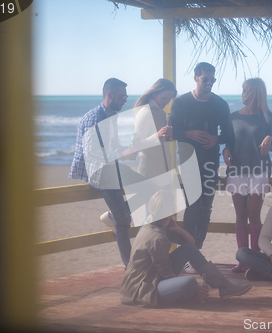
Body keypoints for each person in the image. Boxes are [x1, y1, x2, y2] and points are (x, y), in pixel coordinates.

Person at [120, 190, 252, 307]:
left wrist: (177, 228)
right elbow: (167, 276)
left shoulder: (155, 223)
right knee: (189, 282)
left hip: (150, 278)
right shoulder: (157, 237)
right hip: (142, 290)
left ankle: (225, 287)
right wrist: (195, 290)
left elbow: (191, 242)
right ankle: (201, 292)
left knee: (188, 249)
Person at [69, 78, 134, 267]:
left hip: (110, 168)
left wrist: (128, 150)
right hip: (98, 172)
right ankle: (130, 267)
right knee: (124, 221)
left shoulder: (111, 116)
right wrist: (122, 153)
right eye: (122, 96)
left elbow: (111, 147)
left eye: (126, 96)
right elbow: (93, 154)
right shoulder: (94, 118)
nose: (125, 100)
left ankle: (114, 215)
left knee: (147, 184)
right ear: (109, 95)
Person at [170, 62, 230, 252]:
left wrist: (216, 139)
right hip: (188, 160)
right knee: (192, 206)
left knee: (206, 208)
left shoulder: (220, 104)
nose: (210, 82)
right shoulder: (181, 103)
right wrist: (190, 134)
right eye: (206, 79)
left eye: (212, 79)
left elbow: (229, 134)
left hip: (211, 161)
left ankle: (197, 250)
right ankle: (187, 252)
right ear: (196, 78)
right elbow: (172, 133)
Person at [99, 79, 176, 226]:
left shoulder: (160, 112)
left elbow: (159, 144)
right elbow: (135, 146)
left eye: (169, 99)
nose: (166, 102)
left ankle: (114, 216)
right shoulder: (146, 112)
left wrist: (167, 138)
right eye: (164, 98)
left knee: (160, 218)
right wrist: (157, 136)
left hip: (164, 171)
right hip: (151, 172)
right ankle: (114, 216)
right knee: (151, 218)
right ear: (155, 93)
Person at [222, 78, 272, 272]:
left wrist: (270, 138)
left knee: (254, 215)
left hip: (259, 171)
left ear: (255, 93)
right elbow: (229, 142)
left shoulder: (267, 117)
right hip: (236, 170)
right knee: (240, 215)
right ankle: (242, 260)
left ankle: (254, 261)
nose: (243, 94)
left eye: (246, 91)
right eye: (242, 90)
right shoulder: (232, 117)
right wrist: (226, 150)